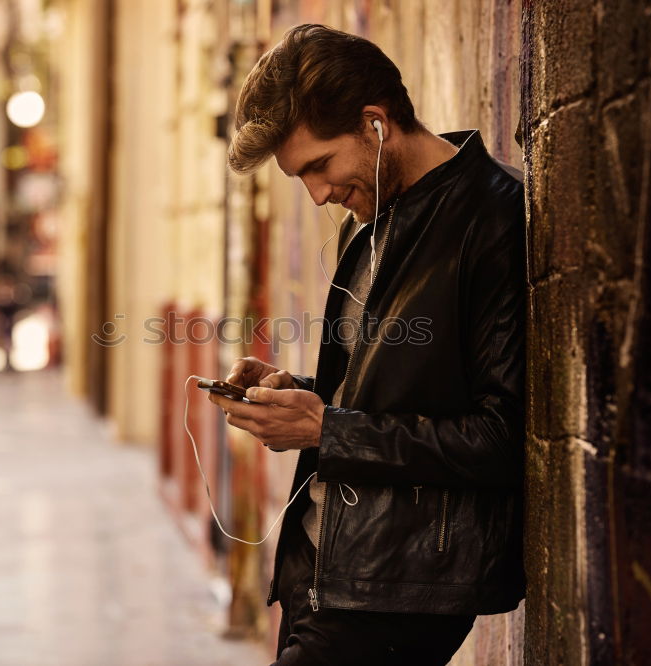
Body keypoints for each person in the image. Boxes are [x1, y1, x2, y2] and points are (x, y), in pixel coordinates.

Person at [208, 24, 527, 665]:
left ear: (376, 124)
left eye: (319, 166)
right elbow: (379, 392)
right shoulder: (373, 225)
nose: (318, 194)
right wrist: (294, 396)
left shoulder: (491, 220)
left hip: (397, 590)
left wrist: (327, 431)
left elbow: (499, 438)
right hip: (324, 573)